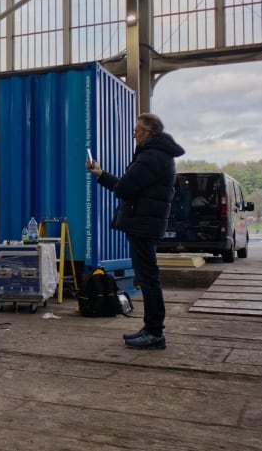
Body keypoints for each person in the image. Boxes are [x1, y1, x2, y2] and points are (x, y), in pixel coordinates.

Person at [86, 113, 185, 349]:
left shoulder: (151, 157)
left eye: (137, 130)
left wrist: (102, 176)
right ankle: (150, 328)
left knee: (148, 279)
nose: (134, 134)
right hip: (146, 223)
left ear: (148, 133)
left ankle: (154, 333)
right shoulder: (158, 156)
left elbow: (124, 188)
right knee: (147, 277)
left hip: (143, 224)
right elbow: (128, 185)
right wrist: (100, 174)